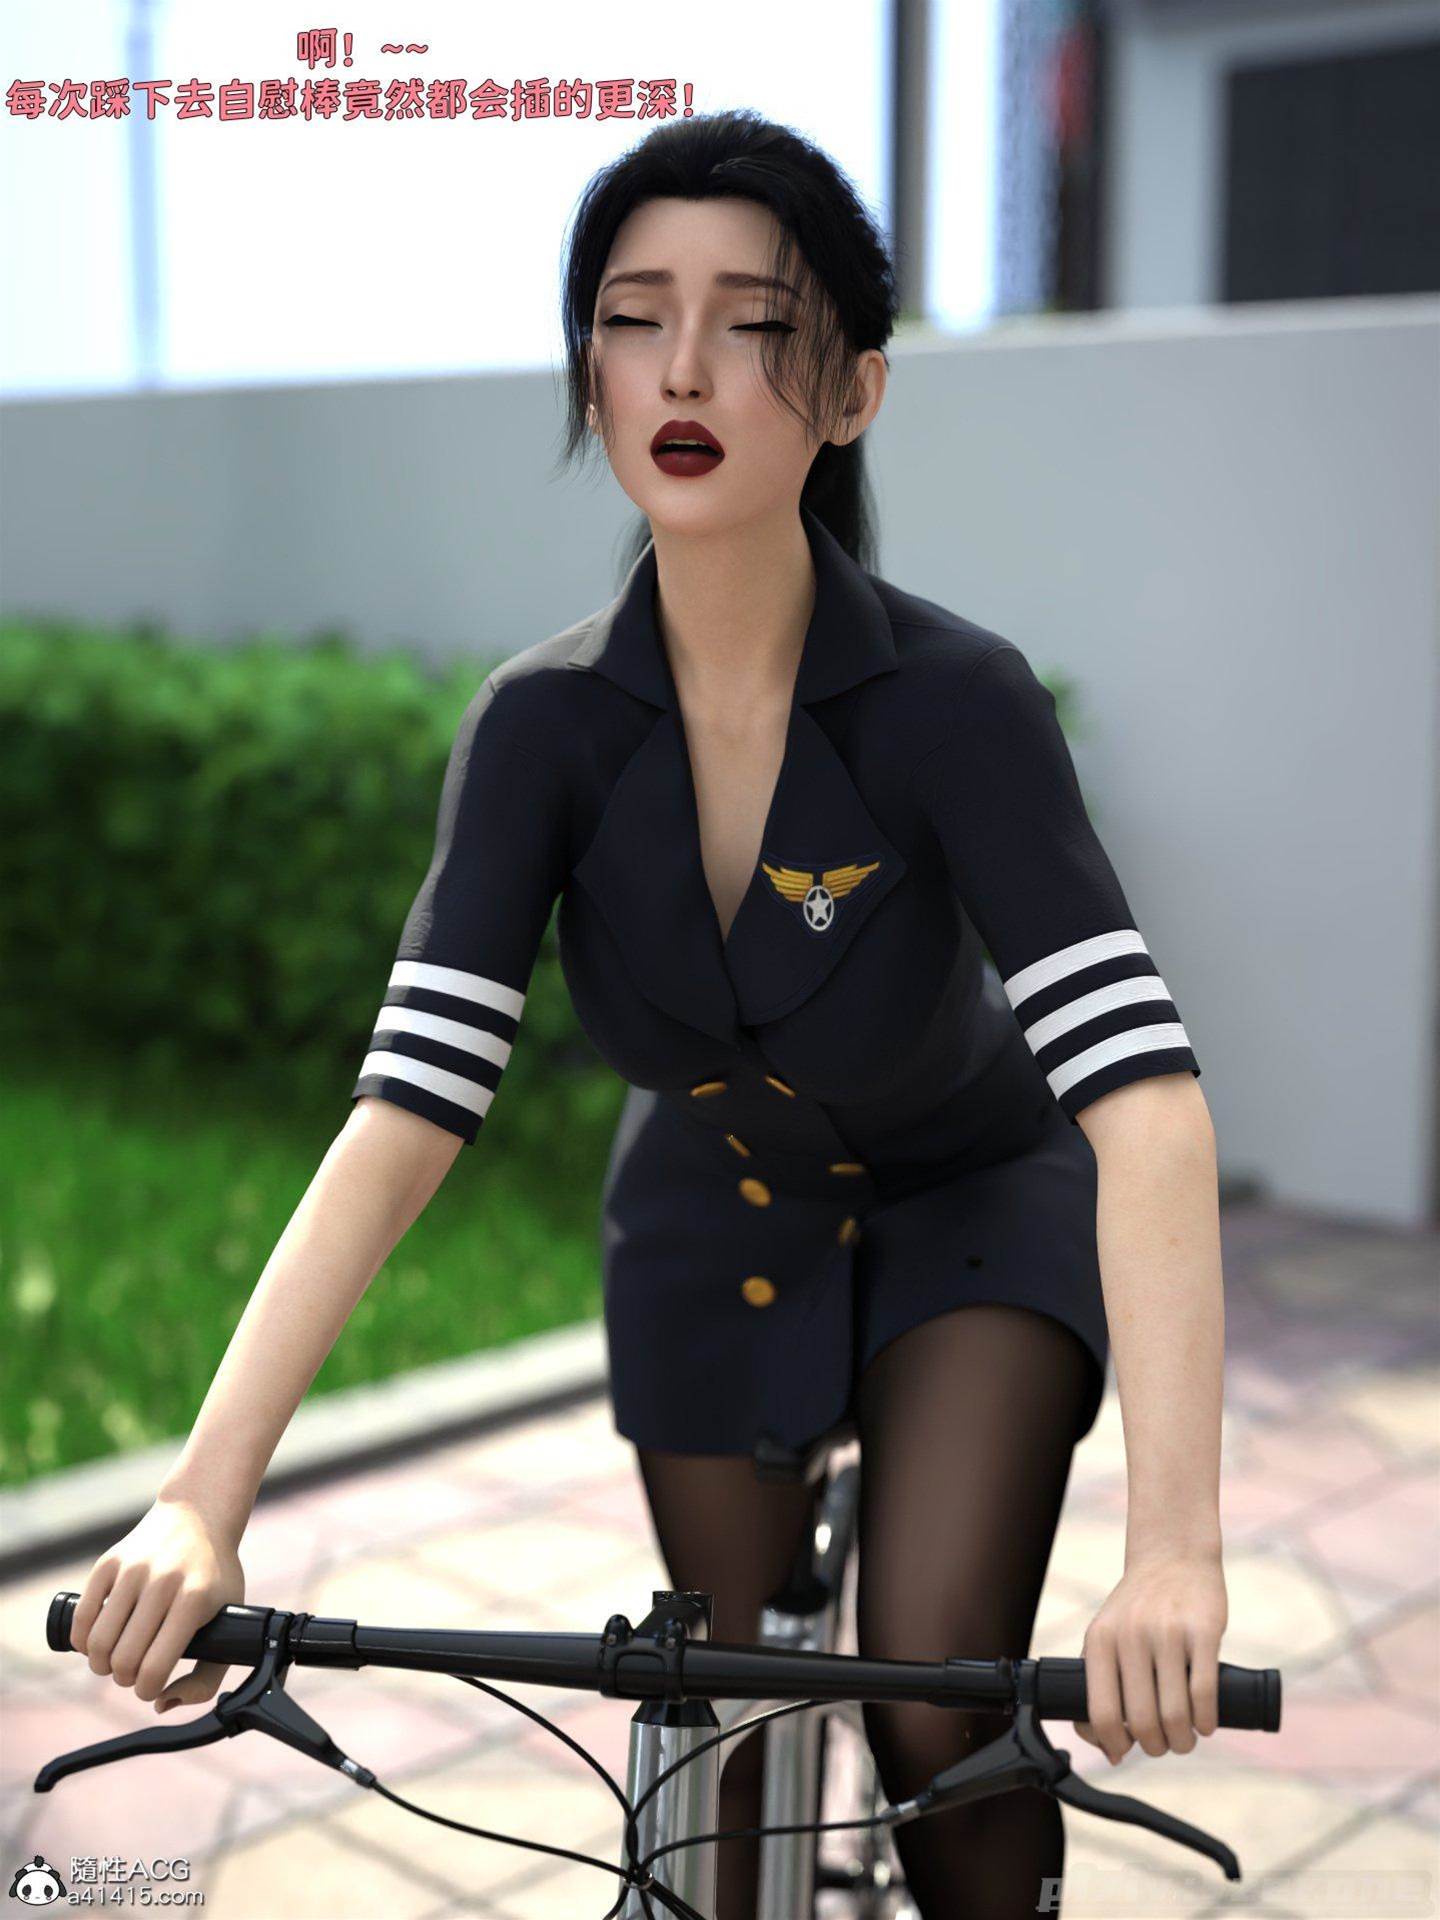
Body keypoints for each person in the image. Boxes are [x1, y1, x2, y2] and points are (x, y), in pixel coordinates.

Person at [69, 109, 1229, 1920]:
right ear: (590, 374)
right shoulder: (540, 728)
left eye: (756, 324)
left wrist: (1172, 1549)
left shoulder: (959, 704)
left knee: (934, 1704)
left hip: (974, 1212)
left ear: (851, 390)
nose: (684, 367)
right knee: (707, 1728)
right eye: (632, 317)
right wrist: (201, 1501)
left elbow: (1142, 1100)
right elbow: (406, 1113)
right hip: (707, 1220)